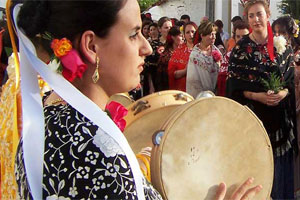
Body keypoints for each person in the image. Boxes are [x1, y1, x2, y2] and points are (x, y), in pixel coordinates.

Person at [11, 0, 263, 199]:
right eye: (133, 34)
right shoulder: (100, 154)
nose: (147, 48)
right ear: (91, 46)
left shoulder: (48, 116)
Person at [226, 1, 298, 199]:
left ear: (267, 15)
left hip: (281, 124)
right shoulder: (241, 49)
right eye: (251, 16)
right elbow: (233, 87)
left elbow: (290, 81)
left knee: (280, 178)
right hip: (253, 123)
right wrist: (256, 96)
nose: (256, 19)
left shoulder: (282, 45)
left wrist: (283, 93)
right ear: (247, 18)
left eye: (259, 14)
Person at [272, 15, 300, 198]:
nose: (279, 36)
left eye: (282, 33)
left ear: (290, 34)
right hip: (283, 110)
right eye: (276, 33)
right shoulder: (275, 54)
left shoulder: (296, 55)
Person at [186, 21, 222, 98]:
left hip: (215, 94)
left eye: (214, 34)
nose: (214, 37)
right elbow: (193, 80)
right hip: (199, 95)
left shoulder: (217, 52)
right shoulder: (195, 55)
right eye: (210, 34)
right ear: (202, 35)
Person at [217, 20, 249, 96]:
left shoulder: (256, 54)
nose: (241, 39)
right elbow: (222, 82)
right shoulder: (229, 56)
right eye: (238, 36)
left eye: (244, 37)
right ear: (234, 38)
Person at [168, 22, 197, 91]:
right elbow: (172, 73)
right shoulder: (178, 51)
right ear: (184, 35)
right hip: (183, 91)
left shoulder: (202, 50)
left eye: (193, 32)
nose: (191, 35)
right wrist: (185, 71)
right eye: (187, 32)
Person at [156, 26, 183, 91]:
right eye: (180, 36)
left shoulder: (184, 51)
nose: (183, 38)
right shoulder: (166, 56)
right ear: (173, 37)